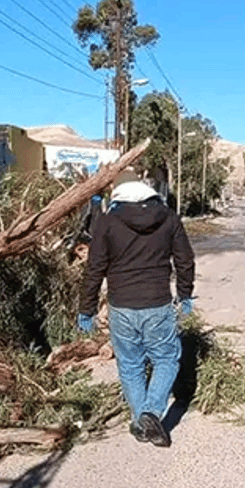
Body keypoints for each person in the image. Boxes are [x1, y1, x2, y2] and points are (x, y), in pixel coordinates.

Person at [77, 174, 195, 447]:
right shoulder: (169, 218)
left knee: (130, 365)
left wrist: (87, 309)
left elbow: (94, 269)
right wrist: (185, 294)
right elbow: (185, 259)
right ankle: (151, 414)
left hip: (121, 307)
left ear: (118, 196)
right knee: (166, 359)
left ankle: (141, 420)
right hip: (158, 305)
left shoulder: (107, 222)